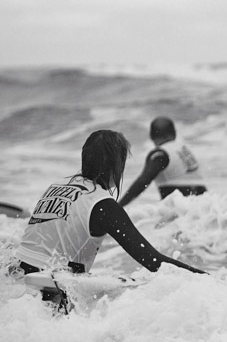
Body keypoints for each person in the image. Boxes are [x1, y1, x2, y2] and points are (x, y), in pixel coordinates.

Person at [16, 130, 205, 312]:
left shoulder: (55, 187)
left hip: (19, 281)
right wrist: (207, 280)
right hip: (52, 288)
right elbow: (154, 261)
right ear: (117, 164)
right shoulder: (103, 205)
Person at [118, 117, 208, 206]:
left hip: (182, 209)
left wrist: (120, 206)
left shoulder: (160, 154)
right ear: (174, 133)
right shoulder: (184, 149)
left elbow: (143, 181)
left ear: (152, 136)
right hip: (203, 203)